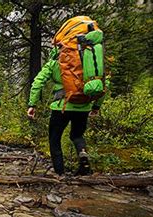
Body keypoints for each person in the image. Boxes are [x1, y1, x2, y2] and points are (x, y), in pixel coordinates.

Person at [27, 47, 105, 176]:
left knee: (55, 139)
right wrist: (96, 106)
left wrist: (32, 104)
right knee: (77, 135)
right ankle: (83, 158)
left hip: (61, 107)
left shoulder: (54, 63)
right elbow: (102, 83)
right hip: (83, 105)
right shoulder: (88, 62)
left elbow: (38, 82)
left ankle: (60, 173)